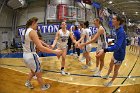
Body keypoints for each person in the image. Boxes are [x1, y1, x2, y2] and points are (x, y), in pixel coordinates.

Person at [22, 17, 62, 90]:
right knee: (38, 73)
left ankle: (27, 82)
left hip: (25, 55)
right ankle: (43, 87)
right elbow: (41, 48)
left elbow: (37, 40)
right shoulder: (32, 31)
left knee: (33, 71)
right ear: (33, 23)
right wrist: (55, 52)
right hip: (31, 56)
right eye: (36, 23)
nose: (37, 25)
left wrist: (46, 45)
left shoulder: (25, 31)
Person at [96, 15, 126, 87]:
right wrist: (109, 43)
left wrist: (105, 50)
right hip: (115, 53)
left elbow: (117, 46)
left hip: (120, 55)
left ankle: (111, 82)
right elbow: (115, 40)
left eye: (114, 19)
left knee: (115, 70)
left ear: (118, 21)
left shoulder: (121, 32)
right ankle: (107, 75)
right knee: (110, 65)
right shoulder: (116, 29)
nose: (112, 20)